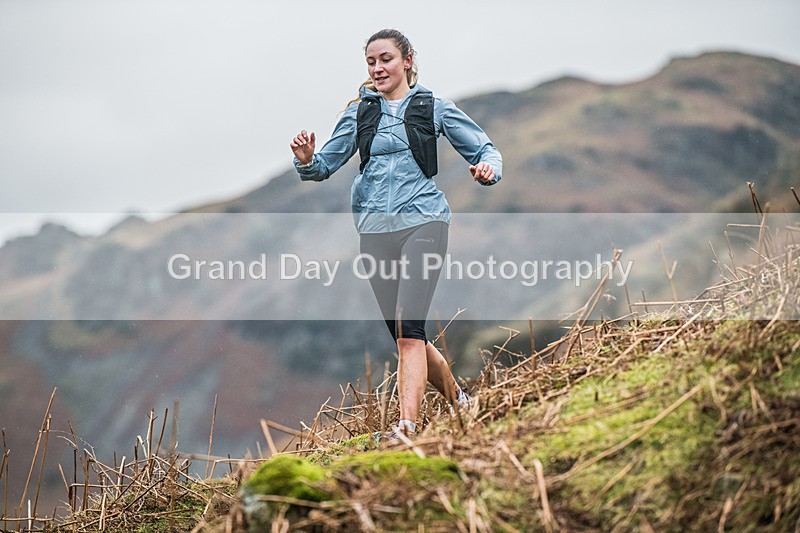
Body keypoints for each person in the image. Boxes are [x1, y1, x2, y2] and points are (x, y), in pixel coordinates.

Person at [289, 28, 502, 438]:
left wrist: (488, 171)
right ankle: (461, 402)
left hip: (424, 222)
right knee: (409, 336)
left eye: (385, 59)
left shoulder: (434, 106)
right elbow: (323, 168)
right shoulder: (359, 113)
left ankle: (406, 428)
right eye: (370, 62)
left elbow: (484, 150)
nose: (377, 68)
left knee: (409, 332)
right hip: (373, 231)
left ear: (406, 61)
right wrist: (306, 159)